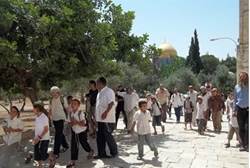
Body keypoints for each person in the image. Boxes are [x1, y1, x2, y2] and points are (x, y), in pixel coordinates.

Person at [66, 98, 94, 167]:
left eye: (75, 104)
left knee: (84, 143)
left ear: (78, 105)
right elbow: (69, 123)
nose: (73, 105)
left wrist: (76, 122)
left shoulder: (80, 113)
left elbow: (84, 124)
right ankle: (73, 161)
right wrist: (71, 123)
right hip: (74, 132)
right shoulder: (70, 113)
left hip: (82, 131)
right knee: (74, 146)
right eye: (72, 103)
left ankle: (90, 151)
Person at [95, 77, 118, 159]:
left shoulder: (109, 91)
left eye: (97, 83)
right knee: (100, 137)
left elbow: (111, 103)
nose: (96, 85)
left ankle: (114, 152)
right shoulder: (99, 92)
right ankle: (101, 153)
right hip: (100, 119)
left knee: (108, 136)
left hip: (107, 119)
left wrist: (106, 112)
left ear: (101, 83)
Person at [49, 86, 69, 159]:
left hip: (61, 119)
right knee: (59, 133)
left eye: (55, 92)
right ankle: (66, 145)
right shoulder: (51, 100)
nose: (54, 94)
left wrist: (69, 118)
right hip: (54, 119)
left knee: (57, 135)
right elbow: (50, 110)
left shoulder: (62, 99)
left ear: (58, 92)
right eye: (52, 93)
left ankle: (56, 152)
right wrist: (50, 119)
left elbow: (67, 108)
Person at [234, 72, 249, 152]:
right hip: (239, 109)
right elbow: (235, 100)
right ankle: (243, 145)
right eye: (241, 77)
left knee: (247, 127)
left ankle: (247, 144)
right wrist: (234, 110)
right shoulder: (236, 87)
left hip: (248, 109)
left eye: (244, 77)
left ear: (247, 78)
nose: (242, 78)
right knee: (241, 128)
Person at [33, 103, 50, 167]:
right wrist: (35, 138)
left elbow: (46, 129)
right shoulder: (37, 117)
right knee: (37, 153)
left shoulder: (44, 117)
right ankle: (40, 165)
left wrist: (39, 137)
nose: (33, 110)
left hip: (44, 138)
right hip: (37, 138)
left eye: (34, 109)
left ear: (37, 109)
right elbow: (37, 129)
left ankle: (51, 157)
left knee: (43, 154)